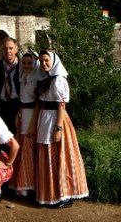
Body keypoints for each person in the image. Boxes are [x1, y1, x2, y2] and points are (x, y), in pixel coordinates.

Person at [35, 50, 88, 207]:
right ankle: (50, 195)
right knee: (47, 156)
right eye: (42, 61)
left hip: (56, 119)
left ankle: (64, 195)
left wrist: (58, 128)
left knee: (59, 156)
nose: (44, 64)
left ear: (53, 62)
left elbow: (61, 105)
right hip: (45, 118)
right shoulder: (45, 78)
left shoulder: (58, 80)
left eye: (46, 61)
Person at [7, 50, 39, 196]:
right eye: (24, 63)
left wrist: (32, 121)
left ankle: (30, 184)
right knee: (22, 144)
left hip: (32, 113)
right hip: (23, 113)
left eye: (29, 63)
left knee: (29, 146)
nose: (26, 65)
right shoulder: (23, 75)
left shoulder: (37, 78)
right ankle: (22, 183)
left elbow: (37, 101)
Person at [0, 37, 20, 133]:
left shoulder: (23, 65)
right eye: (5, 48)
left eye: (10, 48)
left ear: (16, 49)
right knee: (0, 135)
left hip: (16, 106)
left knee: (17, 135)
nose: (8, 51)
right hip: (0, 106)